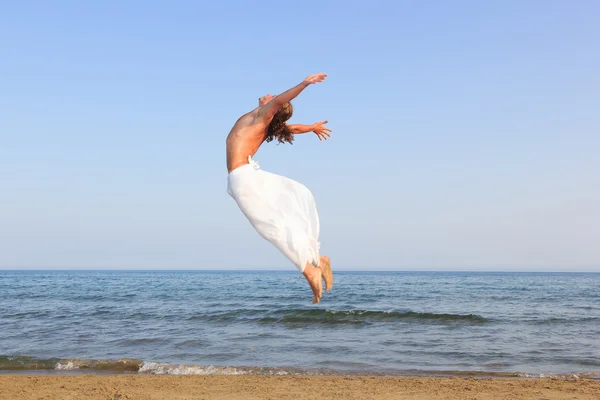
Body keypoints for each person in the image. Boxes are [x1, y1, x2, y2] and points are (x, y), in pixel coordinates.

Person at [225, 72, 333, 304]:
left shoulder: (262, 115)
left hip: (243, 178)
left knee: (271, 227)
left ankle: (309, 269)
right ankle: (317, 259)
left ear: (273, 107)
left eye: (274, 98)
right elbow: (292, 129)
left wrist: (304, 84)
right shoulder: (261, 122)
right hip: (244, 177)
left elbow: (280, 100)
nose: (270, 95)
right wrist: (312, 127)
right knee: (277, 222)